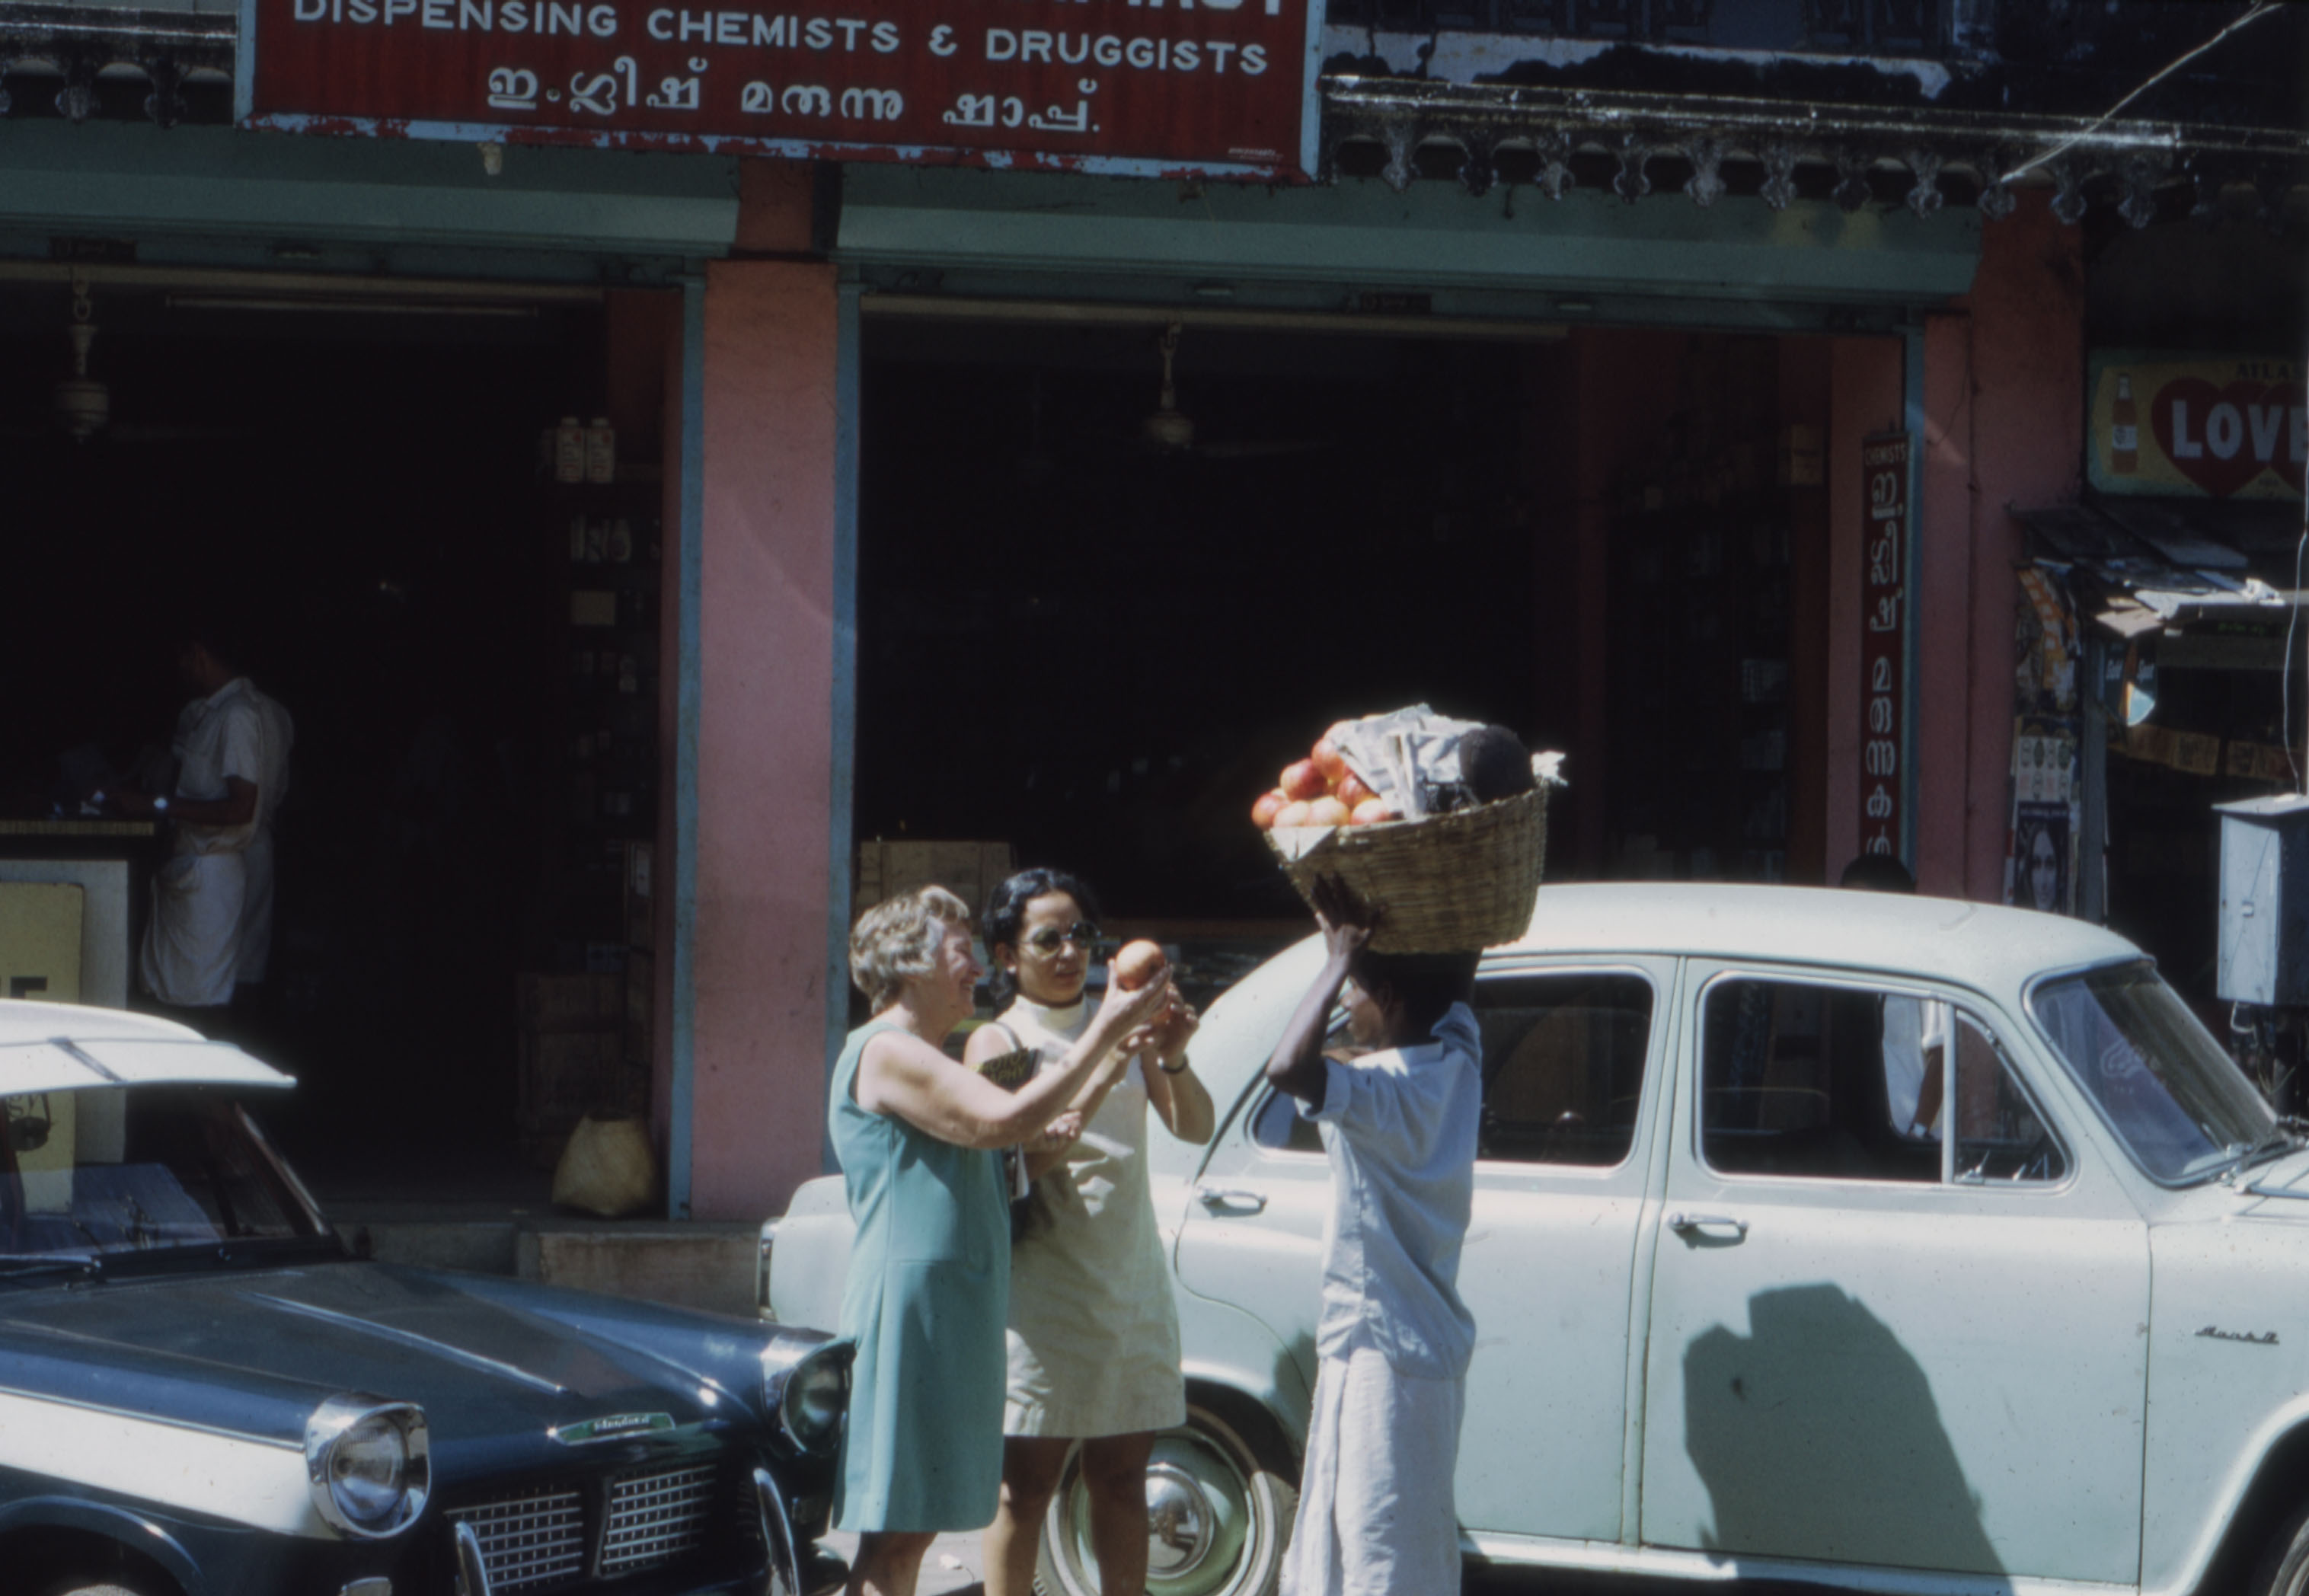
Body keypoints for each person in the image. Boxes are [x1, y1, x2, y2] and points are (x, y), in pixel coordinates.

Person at [832, 886, 1172, 1596]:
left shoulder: (934, 1054)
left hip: (962, 1305)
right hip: (927, 1308)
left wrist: (1114, 1063)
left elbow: (1012, 1163)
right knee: (910, 1531)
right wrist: (1105, 1033)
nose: (980, 970)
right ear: (913, 962)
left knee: (917, 1530)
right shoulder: (923, 1047)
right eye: (965, 952)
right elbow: (1003, 1120)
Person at [972, 870, 1215, 1596]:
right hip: (1044, 1292)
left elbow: (1193, 1124)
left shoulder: (1126, 1025)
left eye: (1081, 935)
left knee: (1122, 1479)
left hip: (1129, 1282)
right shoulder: (1003, 1039)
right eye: (1048, 938)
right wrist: (1110, 1057)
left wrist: (1171, 1052)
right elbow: (1007, 1163)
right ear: (1006, 955)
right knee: (1026, 1489)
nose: (1070, 952)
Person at [1264, 878, 1480, 1596]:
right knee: (1409, 1535)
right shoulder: (1459, 1064)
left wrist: (1337, 956)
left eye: (1354, 991)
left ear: (1387, 997)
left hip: (1378, 1350)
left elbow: (1286, 1068)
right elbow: (1456, 990)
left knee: (1372, 1543)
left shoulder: (1378, 1095)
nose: (1344, 1004)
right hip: (1431, 1349)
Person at [113, 620, 292, 1023]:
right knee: (224, 981)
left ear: (196, 654)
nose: (180, 671)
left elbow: (240, 807)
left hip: (215, 864)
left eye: (182, 660)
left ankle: (222, 1056)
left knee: (202, 999)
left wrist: (157, 805)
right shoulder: (256, 712)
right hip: (222, 858)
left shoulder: (236, 715)